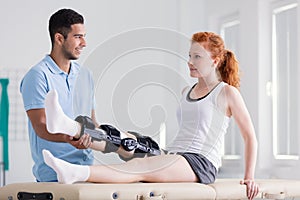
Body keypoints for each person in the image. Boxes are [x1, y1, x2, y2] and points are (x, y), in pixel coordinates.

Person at [42, 32, 259, 199]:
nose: (190, 61)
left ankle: (77, 173)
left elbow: (250, 136)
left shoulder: (227, 92)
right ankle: (68, 126)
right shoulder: (187, 92)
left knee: (139, 168)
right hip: (173, 155)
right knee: (126, 141)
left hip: (200, 164)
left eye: (198, 57)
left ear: (216, 60)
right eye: (190, 56)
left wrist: (249, 177)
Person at [20, 8, 97, 182]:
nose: (84, 43)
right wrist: (68, 139)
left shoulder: (85, 75)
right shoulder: (38, 76)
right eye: (78, 37)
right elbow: (40, 126)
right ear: (59, 38)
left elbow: (92, 122)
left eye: (84, 36)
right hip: (54, 174)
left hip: (87, 170)